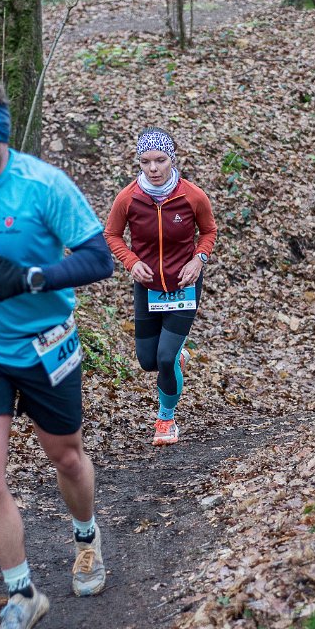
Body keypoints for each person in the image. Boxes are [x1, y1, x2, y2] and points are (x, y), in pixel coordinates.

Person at [0, 75, 114, 629]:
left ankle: (86, 537)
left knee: (66, 458)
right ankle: (22, 594)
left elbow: (99, 258)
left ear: (0, 138)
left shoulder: (43, 186)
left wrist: (34, 278)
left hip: (45, 347)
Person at [104, 127, 217, 446]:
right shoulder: (128, 198)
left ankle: (166, 420)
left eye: (160, 160)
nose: (153, 168)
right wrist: (130, 261)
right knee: (148, 360)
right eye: (145, 162)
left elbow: (209, 231)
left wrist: (199, 259)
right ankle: (177, 358)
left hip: (184, 284)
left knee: (165, 358)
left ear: (172, 159)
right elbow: (112, 234)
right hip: (148, 286)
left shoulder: (192, 196)